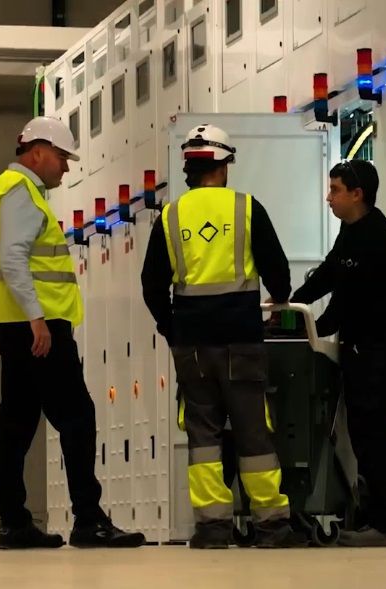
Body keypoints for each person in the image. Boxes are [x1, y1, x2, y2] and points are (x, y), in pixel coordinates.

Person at [0, 116, 145, 550]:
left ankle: (14, 522)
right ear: (37, 152)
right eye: (61, 158)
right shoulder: (19, 192)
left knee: (16, 419)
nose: (66, 168)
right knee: (76, 414)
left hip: (15, 320)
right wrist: (37, 318)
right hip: (36, 326)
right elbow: (14, 259)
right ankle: (87, 519)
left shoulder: (0, 190)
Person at [140, 124, 308, 549]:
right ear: (223, 163)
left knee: (203, 435)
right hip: (241, 340)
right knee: (253, 431)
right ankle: (271, 524)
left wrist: (171, 326)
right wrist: (280, 299)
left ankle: (212, 527)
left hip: (192, 344)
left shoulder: (170, 215)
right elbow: (277, 270)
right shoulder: (246, 208)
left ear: (190, 168)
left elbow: (151, 283)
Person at [290, 160, 386, 547]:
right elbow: (329, 273)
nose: (329, 198)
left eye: (335, 190)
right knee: (361, 434)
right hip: (361, 349)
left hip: (380, 349)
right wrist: (291, 304)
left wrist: (310, 327)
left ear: (357, 194)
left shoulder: (375, 235)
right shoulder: (351, 231)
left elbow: (347, 301)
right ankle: (371, 516)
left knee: (373, 435)